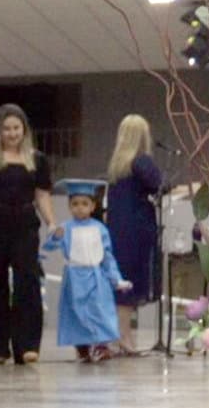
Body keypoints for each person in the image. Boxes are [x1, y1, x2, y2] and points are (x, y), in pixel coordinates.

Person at [0, 105, 55, 365]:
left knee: (27, 282)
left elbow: (42, 194)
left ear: (24, 130)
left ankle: (27, 345)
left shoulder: (37, 159)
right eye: (6, 129)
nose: (12, 133)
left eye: (16, 128)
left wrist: (51, 222)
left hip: (25, 226)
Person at [43, 181, 131, 364]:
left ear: (93, 206)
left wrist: (116, 279)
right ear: (69, 206)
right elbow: (49, 245)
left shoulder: (100, 229)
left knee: (99, 310)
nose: (79, 208)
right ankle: (82, 347)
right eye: (75, 204)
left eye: (84, 204)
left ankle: (101, 346)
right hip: (75, 278)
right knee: (77, 312)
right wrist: (55, 235)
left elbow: (107, 257)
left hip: (97, 277)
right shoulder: (66, 228)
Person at [104, 115, 163, 355]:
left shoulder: (117, 166)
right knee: (132, 284)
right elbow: (159, 184)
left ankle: (120, 335)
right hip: (138, 230)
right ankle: (125, 337)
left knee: (120, 283)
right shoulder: (141, 161)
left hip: (118, 230)